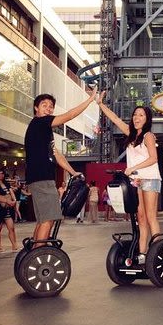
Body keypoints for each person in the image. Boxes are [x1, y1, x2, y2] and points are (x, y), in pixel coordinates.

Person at [95, 91, 162, 265]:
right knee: (140, 218)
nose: (137, 117)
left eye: (141, 115)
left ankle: (157, 250)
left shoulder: (148, 136)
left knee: (150, 216)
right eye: (135, 114)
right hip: (136, 180)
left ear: (147, 119)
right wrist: (100, 104)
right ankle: (142, 253)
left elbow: (154, 159)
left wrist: (132, 168)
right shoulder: (131, 134)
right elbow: (116, 119)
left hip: (150, 179)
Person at [25, 92, 96, 246]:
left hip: (39, 178)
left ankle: (33, 252)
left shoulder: (42, 130)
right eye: (44, 105)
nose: (48, 109)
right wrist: (89, 101)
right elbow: (69, 115)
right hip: (42, 178)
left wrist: (73, 172)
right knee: (49, 219)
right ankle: (39, 254)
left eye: (51, 107)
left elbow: (56, 154)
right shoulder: (40, 123)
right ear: (36, 107)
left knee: (43, 219)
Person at [0, 168, 19, 252]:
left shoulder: (6, 184)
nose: (1, 175)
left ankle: (14, 245)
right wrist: (7, 200)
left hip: (8, 208)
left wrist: (14, 201)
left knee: (11, 228)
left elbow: (11, 193)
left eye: (2, 174)